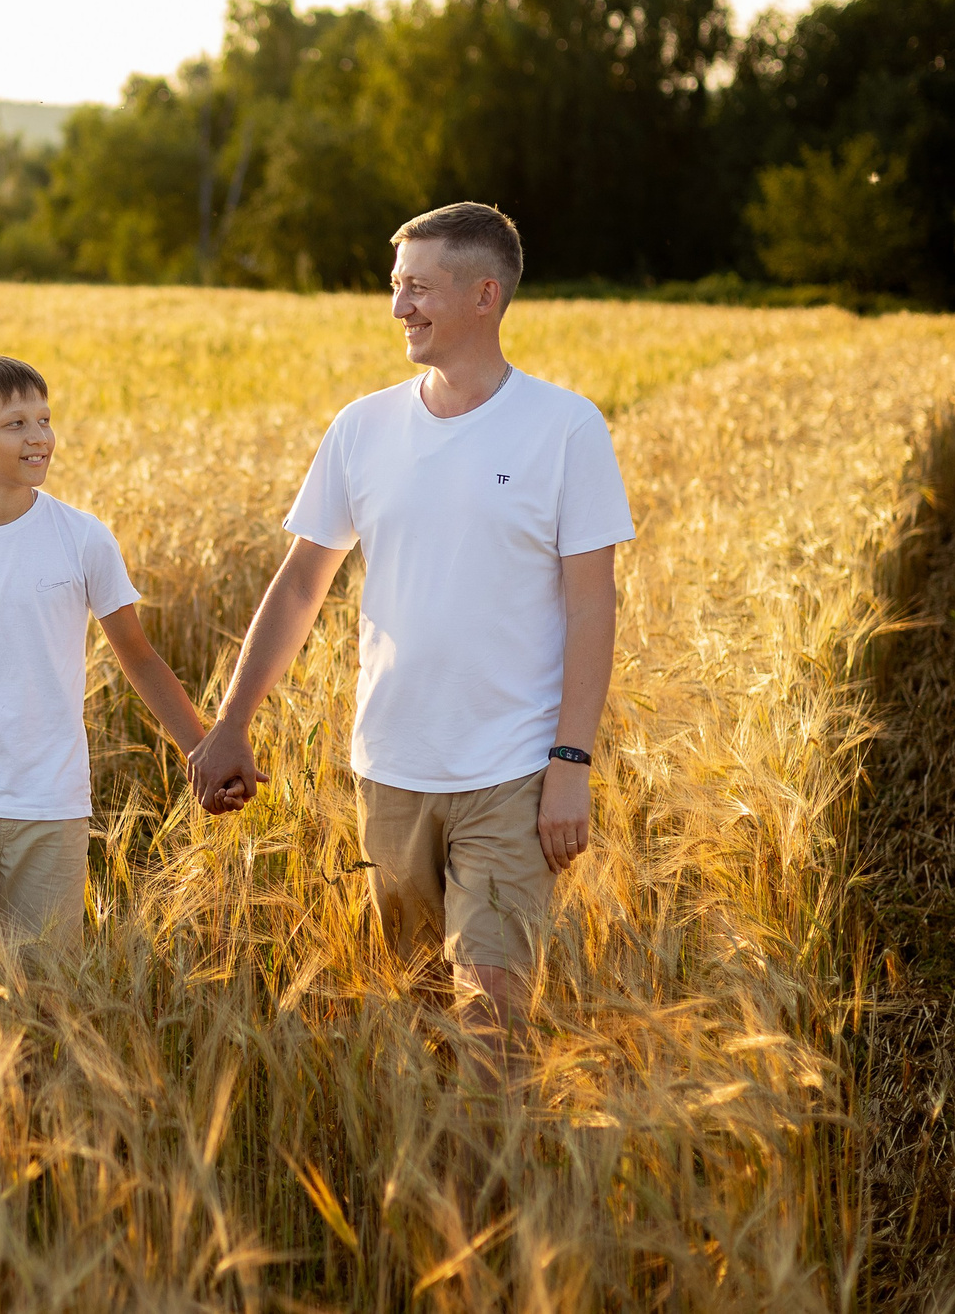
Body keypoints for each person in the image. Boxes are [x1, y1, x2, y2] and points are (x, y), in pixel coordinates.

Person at [187, 203, 632, 1044]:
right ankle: (441, 1179)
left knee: (491, 1015)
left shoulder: (565, 426)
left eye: (419, 289)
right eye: (397, 288)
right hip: (389, 768)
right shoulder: (362, 427)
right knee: (417, 1018)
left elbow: (591, 601)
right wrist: (232, 722)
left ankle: (494, 1179)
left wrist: (572, 760)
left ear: (485, 296)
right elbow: (297, 587)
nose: (400, 309)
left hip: (513, 770)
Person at [0, 354, 207, 972]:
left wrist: (201, 747)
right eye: (16, 424)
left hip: (52, 802)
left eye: (45, 420)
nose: (39, 437)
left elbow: (136, 654)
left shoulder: (82, 538)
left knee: (45, 994)